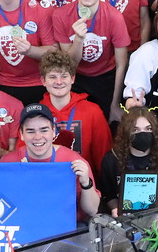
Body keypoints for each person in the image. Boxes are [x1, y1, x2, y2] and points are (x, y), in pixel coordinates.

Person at [50, 0, 131, 116]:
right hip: (76, 76)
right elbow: (70, 64)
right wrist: (79, 39)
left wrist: (115, 104)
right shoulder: (61, 15)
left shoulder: (114, 17)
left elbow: (121, 64)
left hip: (106, 76)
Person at [0, 102, 102, 219]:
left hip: (66, 227)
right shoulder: (8, 162)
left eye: (44, 130)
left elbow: (92, 210)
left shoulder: (73, 161)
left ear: (53, 132)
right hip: (22, 225)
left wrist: (86, 183)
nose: (38, 137)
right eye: (31, 131)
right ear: (21, 134)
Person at [100, 107, 158, 214]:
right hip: (127, 217)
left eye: (148, 129)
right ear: (126, 132)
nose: (143, 134)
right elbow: (108, 196)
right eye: (135, 130)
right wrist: (115, 209)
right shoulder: (112, 159)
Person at [38, 47, 111, 175]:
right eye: (52, 77)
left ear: (72, 79)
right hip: (46, 178)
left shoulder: (92, 111)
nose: (59, 82)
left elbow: (103, 155)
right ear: (43, 81)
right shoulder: (35, 114)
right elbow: (25, 154)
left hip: (82, 179)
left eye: (64, 76)